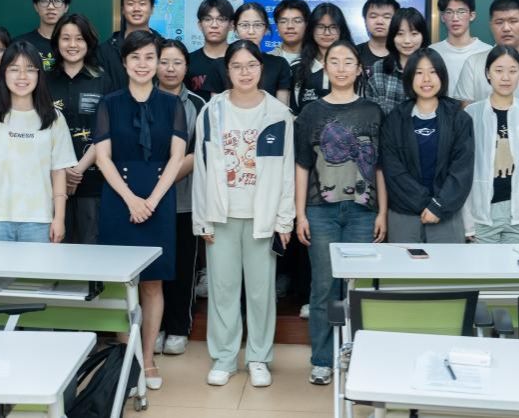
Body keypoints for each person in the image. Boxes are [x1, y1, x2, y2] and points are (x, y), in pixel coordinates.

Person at [192, 40, 295, 388]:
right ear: (227, 71)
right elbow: (201, 168)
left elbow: (287, 171)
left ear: (261, 69)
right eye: (237, 66)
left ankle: (258, 357)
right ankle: (224, 358)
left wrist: (284, 219)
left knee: (261, 293)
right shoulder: (212, 111)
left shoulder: (279, 114)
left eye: (251, 65)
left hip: (262, 216)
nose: (245, 72)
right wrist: (201, 218)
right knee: (222, 290)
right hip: (220, 215)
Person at [93, 30, 187, 391]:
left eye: (150, 57)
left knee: (152, 282)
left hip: (159, 198)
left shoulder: (172, 104)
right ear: (124, 62)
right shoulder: (109, 103)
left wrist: (152, 200)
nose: (143, 64)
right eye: (136, 57)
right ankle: (127, 360)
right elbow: (103, 158)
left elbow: (177, 157)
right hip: (119, 199)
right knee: (121, 283)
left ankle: (147, 359)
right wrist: (131, 199)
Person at [294, 40, 387, 386]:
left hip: (364, 212)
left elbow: (380, 167)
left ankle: (359, 355)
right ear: (326, 68)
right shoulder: (311, 112)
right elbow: (302, 166)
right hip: (321, 211)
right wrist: (300, 213)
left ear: (359, 69)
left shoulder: (373, 111)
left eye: (349, 61)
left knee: (358, 287)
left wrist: (383, 212)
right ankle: (322, 359)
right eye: (335, 61)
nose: (342, 67)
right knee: (323, 287)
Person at [0, 41, 77, 243]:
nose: (22, 76)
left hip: (39, 221)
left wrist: (59, 218)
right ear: (4, 74)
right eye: (14, 69)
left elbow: (58, 172)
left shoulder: (54, 118)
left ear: (39, 75)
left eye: (30, 69)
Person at [380, 49, 473, 243]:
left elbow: (462, 169)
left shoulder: (459, 118)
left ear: (442, 76)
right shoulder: (395, 119)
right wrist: (425, 203)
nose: (426, 79)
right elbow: (392, 169)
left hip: (446, 214)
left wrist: (438, 206)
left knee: (446, 263)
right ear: (409, 77)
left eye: (432, 72)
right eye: (419, 73)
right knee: (402, 263)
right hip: (404, 214)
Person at [463, 46, 519, 244]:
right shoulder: (471, 114)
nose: (505, 77)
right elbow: (464, 169)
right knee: (481, 264)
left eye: (512, 71)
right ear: (488, 73)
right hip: (481, 212)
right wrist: (466, 220)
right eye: (499, 70)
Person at [156, 39, 206, 356]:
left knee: (183, 268)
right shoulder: (141, 98)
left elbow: (197, 153)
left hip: (185, 200)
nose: (170, 68)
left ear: (187, 67)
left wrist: (159, 182)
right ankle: (155, 327)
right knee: (154, 268)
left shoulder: (199, 105)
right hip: (145, 202)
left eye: (177, 62)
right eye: (164, 62)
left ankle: (178, 328)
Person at [47, 14, 114, 246]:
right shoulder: (44, 81)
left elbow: (107, 132)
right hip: (50, 181)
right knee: (55, 251)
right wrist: (62, 171)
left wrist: (77, 170)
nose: (72, 44)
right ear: (57, 42)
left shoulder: (103, 80)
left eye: (79, 38)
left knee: (90, 250)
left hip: (93, 181)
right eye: (66, 38)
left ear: (89, 42)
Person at [455, 0, 519, 105]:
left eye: (513, 21)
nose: (506, 28)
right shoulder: (473, 63)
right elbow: (465, 108)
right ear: (490, 26)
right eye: (499, 22)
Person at [97, 0, 164, 88]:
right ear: (123, 9)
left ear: (152, 9)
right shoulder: (105, 50)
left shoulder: (164, 46)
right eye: (130, 4)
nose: (136, 9)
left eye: (142, 4)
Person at [289, 3, 353, 114]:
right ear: (311, 30)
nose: (327, 33)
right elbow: (293, 111)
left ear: (341, 30)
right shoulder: (297, 67)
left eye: (333, 27)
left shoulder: (353, 66)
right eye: (320, 27)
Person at [430, 0, 491, 99]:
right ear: (442, 17)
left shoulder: (487, 51)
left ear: (472, 15)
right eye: (449, 12)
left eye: (461, 11)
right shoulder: (432, 52)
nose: (455, 18)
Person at [365, 8, 429, 115]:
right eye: (400, 34)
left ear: (423, 36)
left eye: (414, 33)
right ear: (392, 36)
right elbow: (372, 114)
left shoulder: (433, 68)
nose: (407, 41)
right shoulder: (378, 69)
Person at [233, 2, 291, 104]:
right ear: (235, 28)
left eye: (257, 25)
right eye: (245, 25)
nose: (251, 31)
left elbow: (282, 109)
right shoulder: (220, 64)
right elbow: (216, 109)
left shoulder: (279, 64)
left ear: (266, 29)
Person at [16, 0, 71, 72]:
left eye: (57, 1)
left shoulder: (75, 45)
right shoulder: (20, 44)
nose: (50, 7)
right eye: (44, 1)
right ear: (36, 7)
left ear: (66, 7)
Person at [186, 0, 234, 101]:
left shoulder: (240, 60)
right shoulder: (188, 61)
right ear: (200, 25)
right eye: (208, 19)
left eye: (221, 19)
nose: (214, 25)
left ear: (231, 25)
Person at [355, 0, 399, 72]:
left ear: (396, 21)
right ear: (365, 21)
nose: (379, 22)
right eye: (373, 16)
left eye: (387, 17)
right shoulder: (354, 53)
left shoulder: (404, 52)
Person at [269, 0, 310, 66]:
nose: (290, 26)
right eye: (283, 21)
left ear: (307, 24)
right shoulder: (267, 60)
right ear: (277, 26)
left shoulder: (319, 59)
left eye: (297, 21)